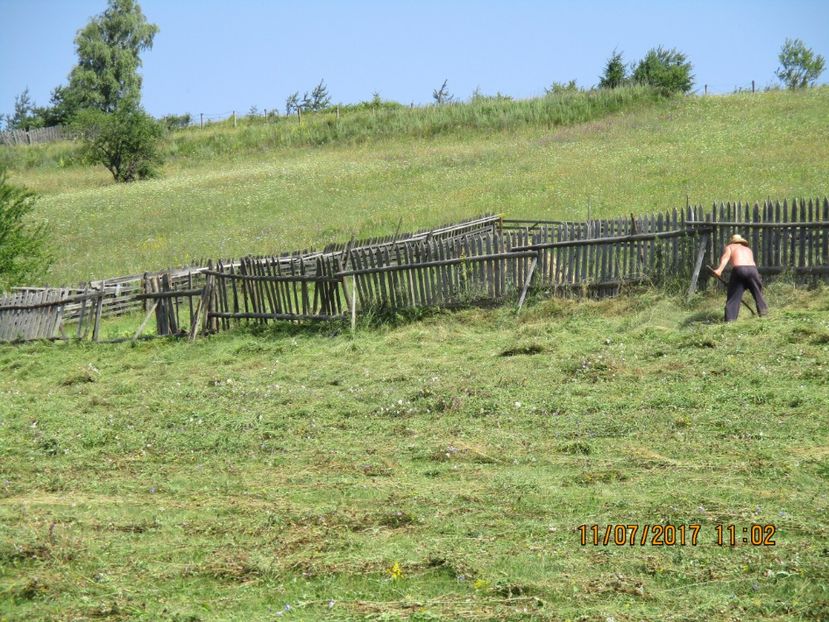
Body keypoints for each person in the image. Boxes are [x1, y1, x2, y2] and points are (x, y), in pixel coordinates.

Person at [712, 233, 768, 321]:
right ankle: (764, 315)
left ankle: (730, 320)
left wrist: (719, 270)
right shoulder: (748, 249)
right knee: (758, 293)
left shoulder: (730, 247)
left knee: (734, 296)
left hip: (739, 269)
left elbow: (725, 258)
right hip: (753, 270)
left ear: (732, 242)